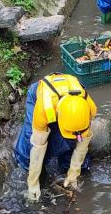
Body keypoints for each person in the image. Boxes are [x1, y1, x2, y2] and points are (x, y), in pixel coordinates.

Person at [14, 73, 97, 201]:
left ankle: (66, 167)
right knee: (29, 145)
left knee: (72, 149)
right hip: (41, 95)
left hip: (67, 98)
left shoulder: (88, 107)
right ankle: (26, 164)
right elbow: (38, 146)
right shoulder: (44, 109)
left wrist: (74, 172)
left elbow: (82, 143)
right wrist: (33, 183)